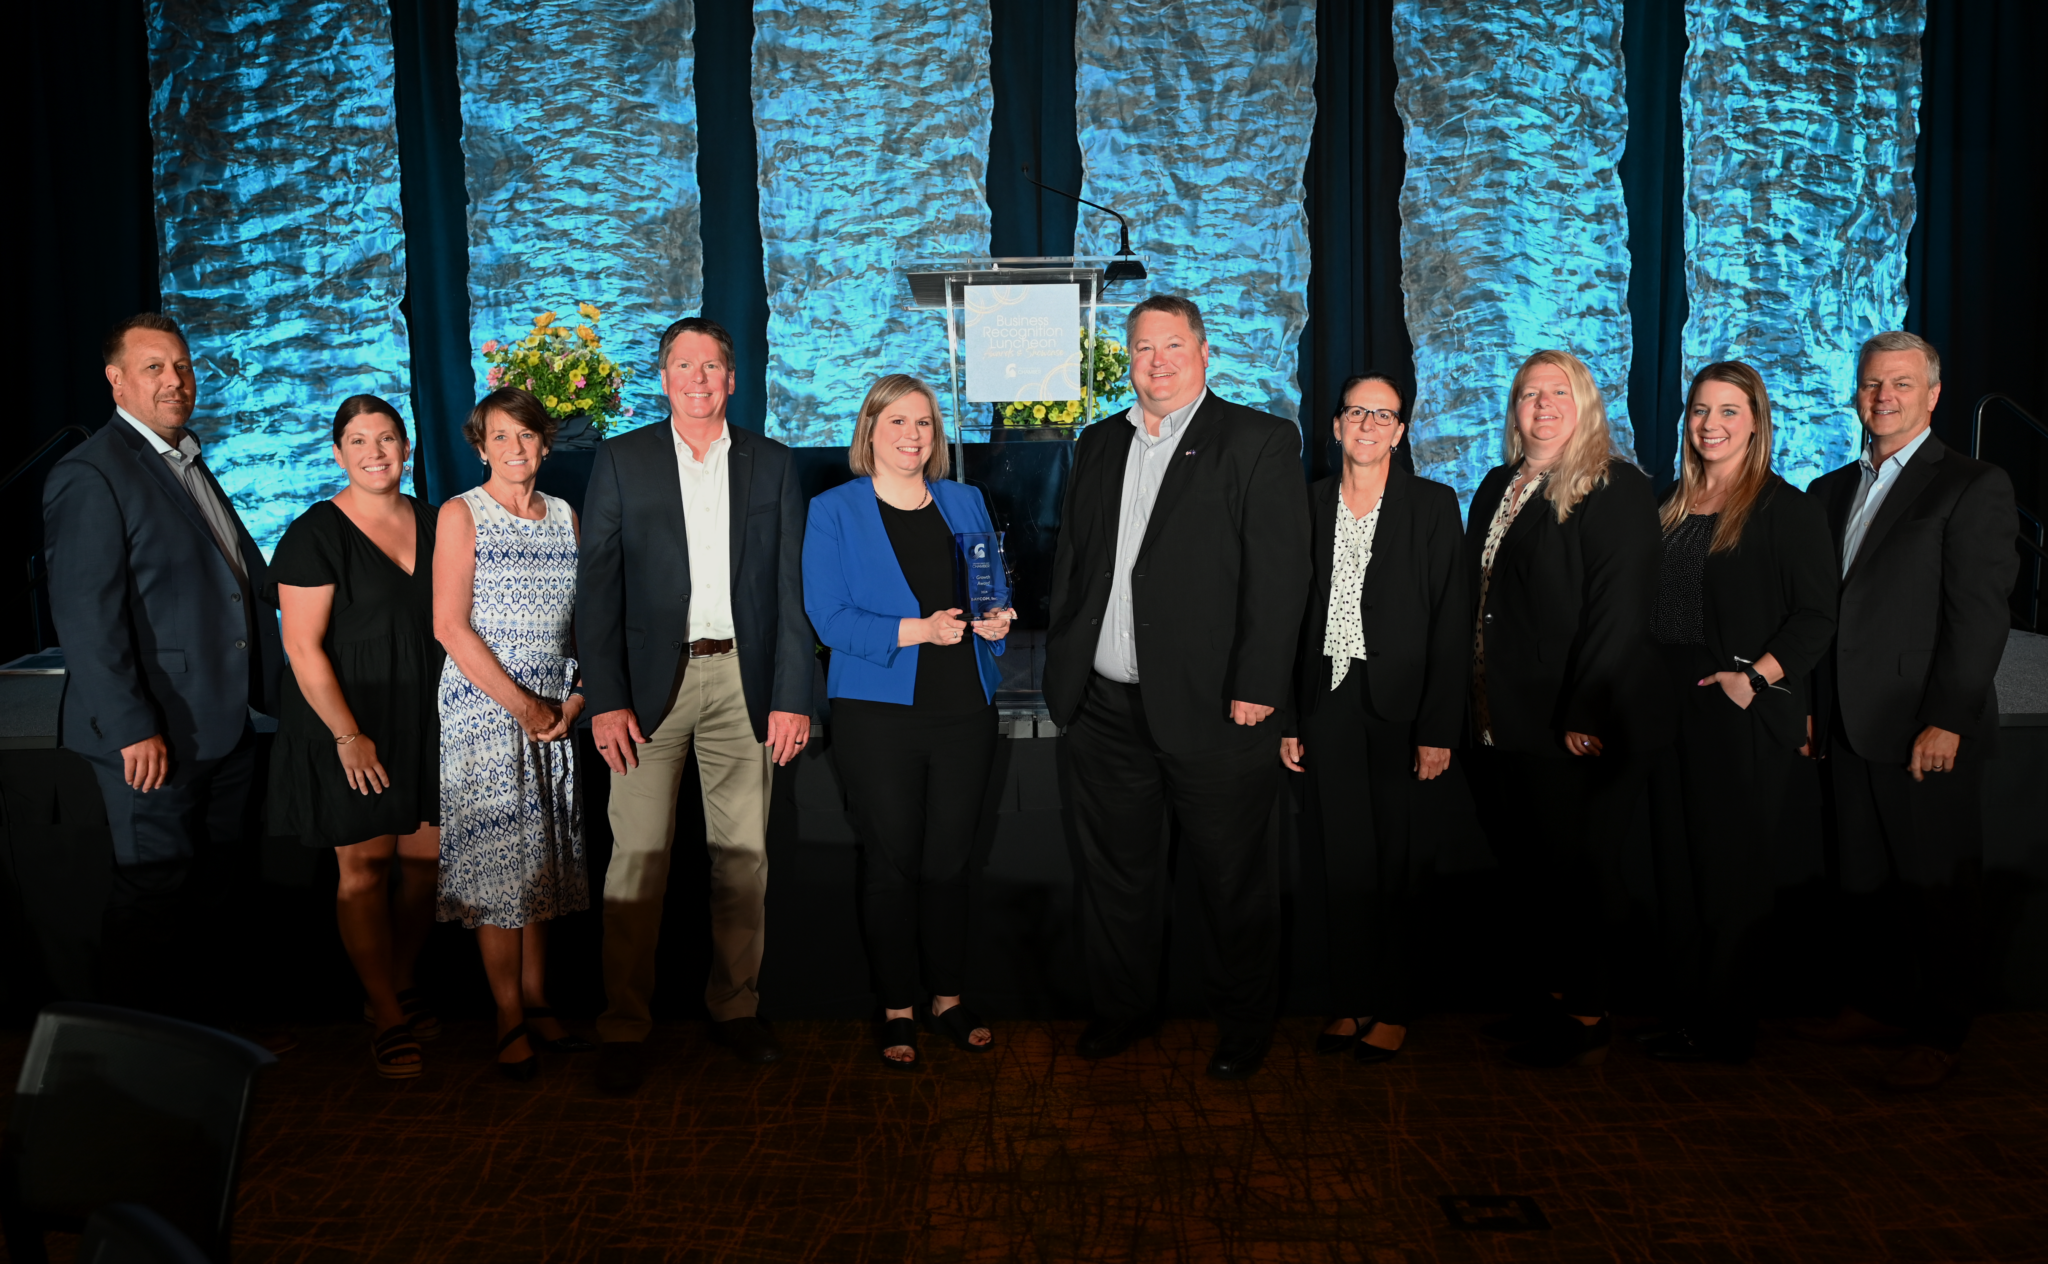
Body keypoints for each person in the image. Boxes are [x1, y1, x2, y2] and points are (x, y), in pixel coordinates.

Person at [1043, 294, 1311, 1080]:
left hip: (1219, 707)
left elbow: (1281, 572)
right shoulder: (1097, 444)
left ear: (1203, 352)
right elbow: (1078, 560)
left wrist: (1261, 683)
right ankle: (1124, 1011)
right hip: (1105, 708)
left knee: (1233, 880)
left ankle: (1243, 1026)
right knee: (1117, 879)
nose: (1155, 363)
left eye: (1171, 347)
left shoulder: (1259, 440)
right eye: (1141, 350)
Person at [576, 316, 813, 1092]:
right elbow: (598, 590)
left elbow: (789, 593)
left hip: (744, 683)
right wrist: (605, 699)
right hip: (648, 692)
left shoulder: (774, 465)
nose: (699, 379)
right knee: (637, 862)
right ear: (665, 376)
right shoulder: (621, 460)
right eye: (684, 365)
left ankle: (736, 1010)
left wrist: (790, 695)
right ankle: (622, 1023)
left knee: (742, 863)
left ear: (732, 379)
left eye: (712, 366)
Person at [42, 313, 284, 1030]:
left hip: (225, 723)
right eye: (154, 367)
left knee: (213, 891)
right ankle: (132, 1069)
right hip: (153, 737)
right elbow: (87, 618)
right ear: (116, 380)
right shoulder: (91, 473)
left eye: (181, 366)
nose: (174, 380)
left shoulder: (188, 461)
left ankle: (206, 1045)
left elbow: (244, 580)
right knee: (154, 896)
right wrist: (132, 728)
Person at [1802, 332, 2017, 1091]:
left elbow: (1979, 616)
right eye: (1870, 385)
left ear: (1932, 394)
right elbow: (1823, 618)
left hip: (1925, 725)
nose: (1882, 397)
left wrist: (1950, 717)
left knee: (1937, 886)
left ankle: (1943, 1027)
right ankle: (1880, 1004)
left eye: (1899, 384)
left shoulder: (1971, 484)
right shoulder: (1829, 491)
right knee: (1863, 878)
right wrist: (1815, 710)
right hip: (1850, 722)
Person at [1464, 349, 1667, 1069]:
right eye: (1528, 394)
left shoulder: (1615, 488)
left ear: (1585, 406)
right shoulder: (1499, 484)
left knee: (1577, 873)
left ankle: (1586, 1013)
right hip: (1500, 718)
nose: (1542, 406)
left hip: (1569, 723)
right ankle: (1549, 1001)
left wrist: (1587, 710)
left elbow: (1619, 613)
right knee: (1531, 872)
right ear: (1514, 409)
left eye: (1558, 393)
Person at [803, 375, 1014, 1069]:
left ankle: (948, 999)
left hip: (964, 711)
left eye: (923, 423)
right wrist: (917, 631)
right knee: (892, 866)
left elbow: (992, 591)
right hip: (877, 714)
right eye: (896, 422)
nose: (912, 435)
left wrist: (999, 622)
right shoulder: (834, 510)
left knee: (953, 865)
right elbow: (827, 618)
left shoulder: (964, 499)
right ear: (870, 431)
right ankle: (896, 1007)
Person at [1643, 363, 1836, 1065]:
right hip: (1668, 712)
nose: (1710, 424)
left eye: (1728, 410)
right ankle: (1686, 1012)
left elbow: (1817, 616)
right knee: (1677, 869)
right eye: (1700, 410)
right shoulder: (1669, 504)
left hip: (1736, 713)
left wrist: (1754, 678)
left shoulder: (1787, 509)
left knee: (1730, 876)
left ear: (1755, 420)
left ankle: (1724, 1027)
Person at [1280, 372, 1469, 1065]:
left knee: (1399, 866)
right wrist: (1291, 717)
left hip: (1403, 712)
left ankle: (1393, 1007)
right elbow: (1287, 619)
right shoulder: (1305, 506)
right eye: (1356, 412)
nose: (1368, 424)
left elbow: (1451, 624)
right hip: (1326, 702)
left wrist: (1437, 730)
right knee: (1340, 864)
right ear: (1334, 426)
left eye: (1382, 415)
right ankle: (1350, 998)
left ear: (1399, 430)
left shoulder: (1431, 505)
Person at [268, 396, 444, 1078]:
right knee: (363, 872)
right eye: (359, 440)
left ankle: (395, 984)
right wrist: (348, 735)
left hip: (425, 719)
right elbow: (304, 648)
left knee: (426, 869)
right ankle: (387, 1015)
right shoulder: (314, 534)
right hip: (352, 723)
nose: (376, 451)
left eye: (388, 438)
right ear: (338, 454)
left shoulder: (436, 523)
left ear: (408, 449)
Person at [433, 388, 590, 1081]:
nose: (515, 448)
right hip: (485, 706)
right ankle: (506, 1015)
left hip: (555, 710)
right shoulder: (461, 514)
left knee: (543, 860)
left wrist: (575, 699)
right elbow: (450, 626)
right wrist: (522, 706)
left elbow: (582, 619)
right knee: (501, 866)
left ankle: (536, 997)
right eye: (500, 437)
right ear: (481, 447)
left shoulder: (565, 516)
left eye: (526, 436)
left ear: (545, 444)